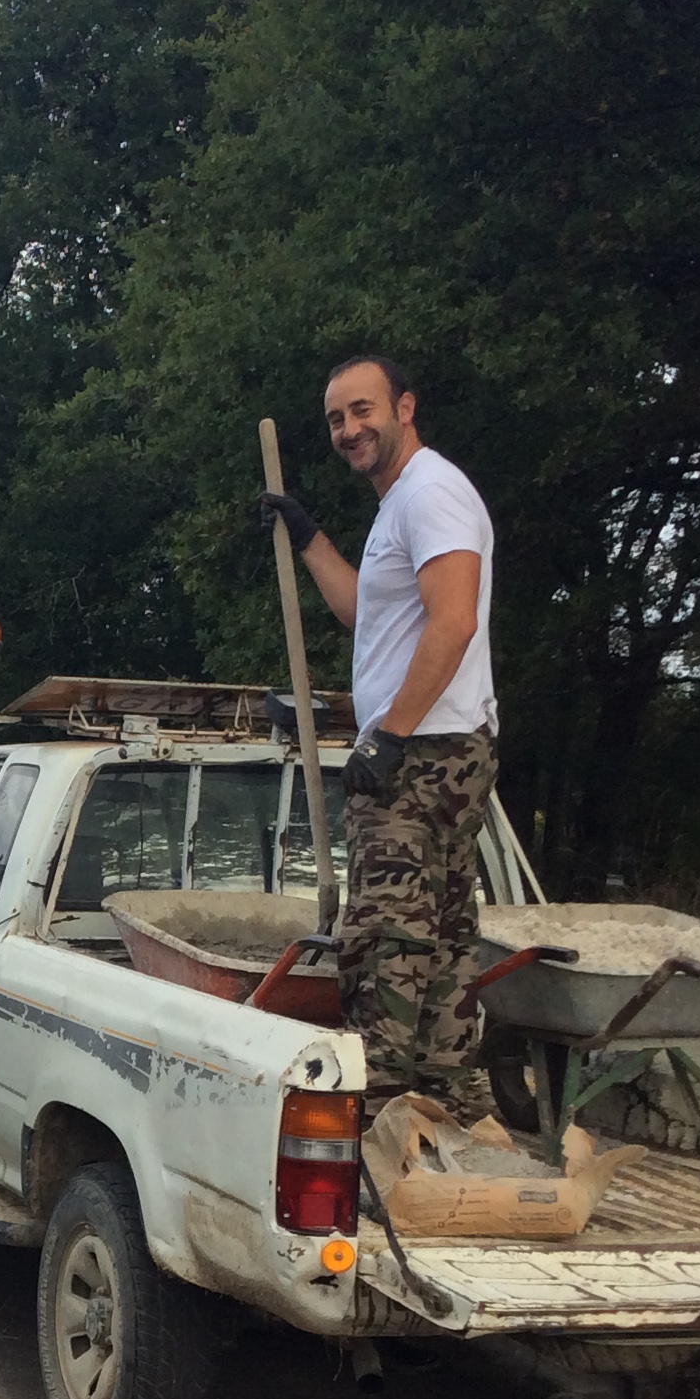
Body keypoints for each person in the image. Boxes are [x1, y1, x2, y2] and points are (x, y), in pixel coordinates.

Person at [258, 354, 499, 1109]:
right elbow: (367, 612)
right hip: (444, 748)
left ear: (404, 407)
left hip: (424, 753)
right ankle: (450, 1104)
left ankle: (378, 1112)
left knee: (387, 940)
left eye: (362, 410)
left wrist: (388, 734)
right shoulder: (402, 504)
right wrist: (306, 537)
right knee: (446, 933)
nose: (349, 429)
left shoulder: (431, 493)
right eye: (336, 418)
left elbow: (453, 619)